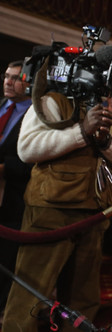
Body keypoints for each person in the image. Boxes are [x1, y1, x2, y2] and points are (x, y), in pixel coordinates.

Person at [2, 91, 112, 332]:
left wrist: (106, 141)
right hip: (50, 212)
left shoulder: (111, 118)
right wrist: (81, 132)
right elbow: (26, 148)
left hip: (94, 215)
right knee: (29, 297)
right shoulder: (51, 102)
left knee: (83, 301)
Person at [0, 61, 32, 310]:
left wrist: (3, 168)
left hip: (12, 201)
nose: (8, 82)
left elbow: (31, 161)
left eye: (16, 78)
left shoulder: (35, 114)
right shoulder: (1, 106)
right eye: (6, 77)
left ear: (28, 83)